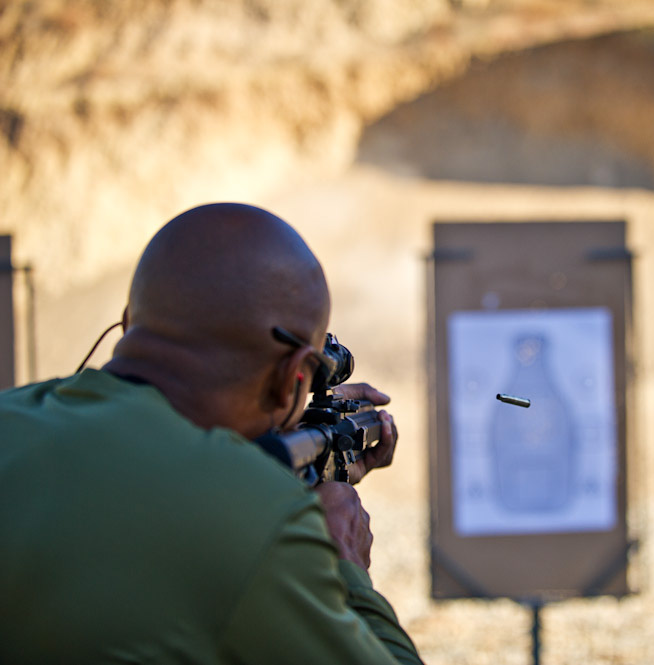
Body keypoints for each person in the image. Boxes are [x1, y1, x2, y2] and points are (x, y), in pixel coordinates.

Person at [0, 203, 424, 664]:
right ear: (294, 377)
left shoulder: (14, 414)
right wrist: (347, 562)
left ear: (127, 322)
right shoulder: (256, 514)